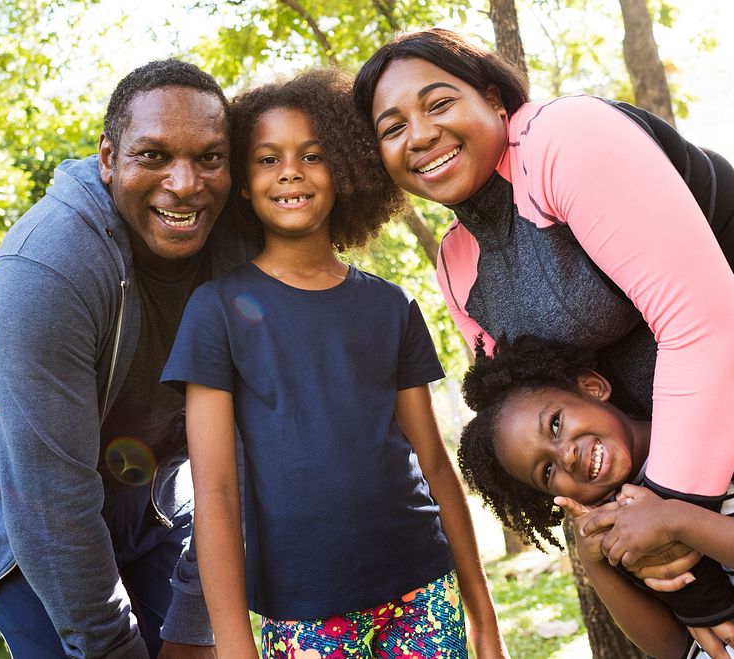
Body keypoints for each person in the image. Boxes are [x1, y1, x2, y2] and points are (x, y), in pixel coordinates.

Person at [352, 27, 734, 638]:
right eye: (392, 128)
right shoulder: (457, 264)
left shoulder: (566, 137)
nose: (420, 135)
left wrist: (669, 527)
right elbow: (531, 414)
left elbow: (703, 322)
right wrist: (689, 583)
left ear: (495, 100)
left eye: (439, 103)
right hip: (725, 477)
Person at [160, 68, 509, 659]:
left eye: (313, 154)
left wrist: (484, 616)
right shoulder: (215, 310)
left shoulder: (390, 305)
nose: (291, 171)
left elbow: (434, 464)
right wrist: (235, 646)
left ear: (343, 169)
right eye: (267, 159)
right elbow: (215, 492)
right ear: (243, 183)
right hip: (301, 613)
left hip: (423, 589)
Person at [0, 59, 255, 657]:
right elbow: (51, 497)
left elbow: (246, 456)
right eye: (154, 156)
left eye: (209, 158)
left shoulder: (247, 248)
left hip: (157, 503)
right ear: (110, 159)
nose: (186, 183)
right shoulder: (48, 262)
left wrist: (194, 631)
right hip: (31, 515)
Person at [457, 334, 734, 659]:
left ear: (592, 388)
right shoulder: (618, 522)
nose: (565, 455)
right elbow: (671, 649)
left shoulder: (726, 424)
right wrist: (595, 562)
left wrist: (673, 520)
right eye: (546, 471)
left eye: (555, 424)